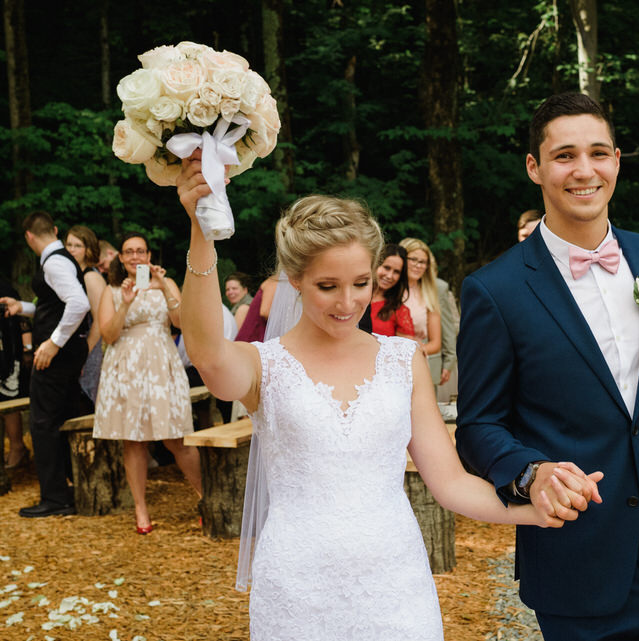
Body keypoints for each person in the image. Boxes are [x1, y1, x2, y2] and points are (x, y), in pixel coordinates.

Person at [176, 152, 565, 640]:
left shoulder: (403, 361)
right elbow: (208, 354)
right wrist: (201, 228)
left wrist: (534, 511)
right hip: (297, 587)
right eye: (327, 286)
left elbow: (449, 484)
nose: (347, 303)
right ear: (294, 279)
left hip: (395, 585)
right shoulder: (262, 366)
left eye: (360, 283)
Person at [455, 93, 639, 640]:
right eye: (565, 155)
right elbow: (479, 428)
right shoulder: (493, 291)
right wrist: (531, 473)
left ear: (617, 160)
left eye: (598, 153)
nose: (584, 170)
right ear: (535, 168)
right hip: (578, 562)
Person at [95, 232, 202, 534]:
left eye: (140, 251)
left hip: (161, 364)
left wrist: (164, 287)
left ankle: (205, 498)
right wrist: (126, 304)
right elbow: (109, 336)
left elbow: (182, 322)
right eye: (128, 252)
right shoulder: (112, 290)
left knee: (176, 435)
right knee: (134, 439)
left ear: (149, 255)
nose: (134, 257)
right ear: (121, 257)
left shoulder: (165, 283)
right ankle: (141, 508)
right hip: (125, 366)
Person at [0, 211, 91, 517]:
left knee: (42, 425)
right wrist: (22, 307)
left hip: (57, 356)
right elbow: (53, 306)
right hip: (69, 353)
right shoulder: (61, 259)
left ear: (29, 237)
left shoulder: (53, 262)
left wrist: (53, 343)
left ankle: (56, 498)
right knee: (60, 418)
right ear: (53, 229)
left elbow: (79, 303)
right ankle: (70, 488)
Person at [65, 225, 107, 402]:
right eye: (68, 245)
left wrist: (84, 357)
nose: (71, 250)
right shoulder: (73, 274)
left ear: (88, 250)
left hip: (92, 350)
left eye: (77, 245)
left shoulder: (91, 277)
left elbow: (99, 323)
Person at [398, 238, 443, 383]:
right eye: (413, 259)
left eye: (423, 262)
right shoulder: (387, 290)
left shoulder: (428, 294)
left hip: (414, 363)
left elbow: (435, 343)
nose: (418, 265)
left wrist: (413, 351)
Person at [0, 276, 28, 469]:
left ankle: (17, 447)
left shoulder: (4, 288)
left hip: (8, 355)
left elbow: (23, 321)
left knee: (9, 400)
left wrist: (28, 348)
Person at [370, 243, 414, 338]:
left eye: (396, 272)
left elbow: (406, 349)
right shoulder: (354, 296)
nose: (389, 276)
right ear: (376, 264)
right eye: (386, 268)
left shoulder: (399, 311)